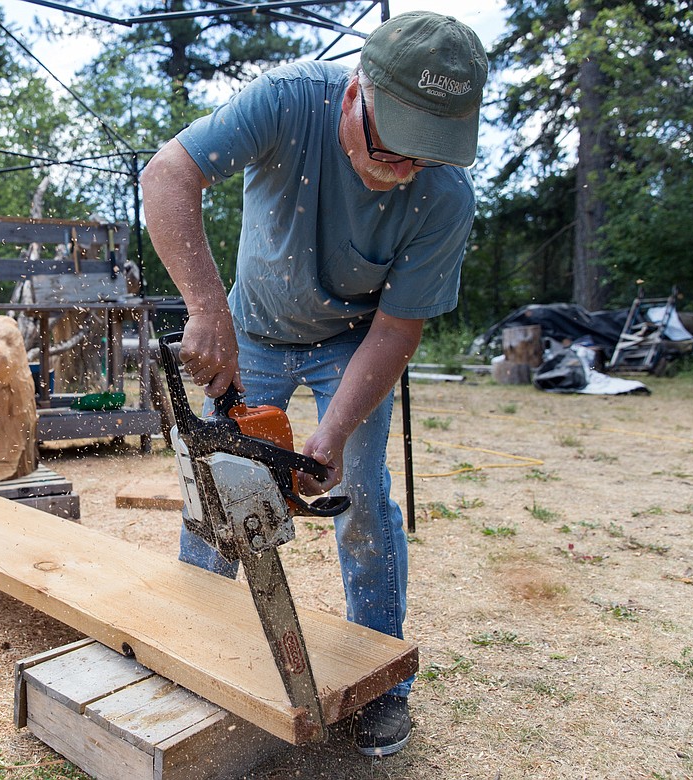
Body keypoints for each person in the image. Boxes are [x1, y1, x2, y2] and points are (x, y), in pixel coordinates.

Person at [139, 11, 488, 757]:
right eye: (392, 145)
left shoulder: (446, 198)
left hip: (356, 343)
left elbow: (397, 331)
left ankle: (380, 684)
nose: (403, 170)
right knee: (217, 491)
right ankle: (188, 656)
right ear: (356, 93)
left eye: (424, 156)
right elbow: (168, 172)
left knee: (360, 494)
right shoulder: (289, 98)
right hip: (252, 327)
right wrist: (207, 311)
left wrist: (329, 437)